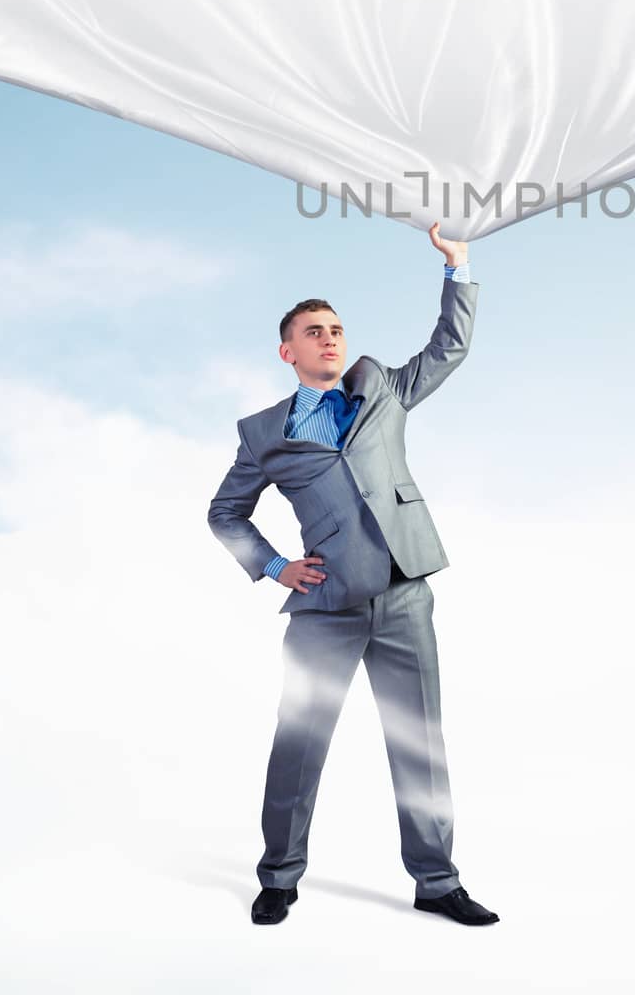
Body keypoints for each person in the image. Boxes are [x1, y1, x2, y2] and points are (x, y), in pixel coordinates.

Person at [206, 221, 500, 928]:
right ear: (289, 350)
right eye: (314, 331)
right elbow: (225, 513)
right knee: (300, 741)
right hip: (324, 610)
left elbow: (450, 347)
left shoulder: (384, 389)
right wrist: (276, 567)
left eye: (336, 328)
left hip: (404, 597)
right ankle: (279, 876)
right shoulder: (264, 433)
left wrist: (457, 266)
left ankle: (437, 882)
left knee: (418, 742)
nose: (330, 338)